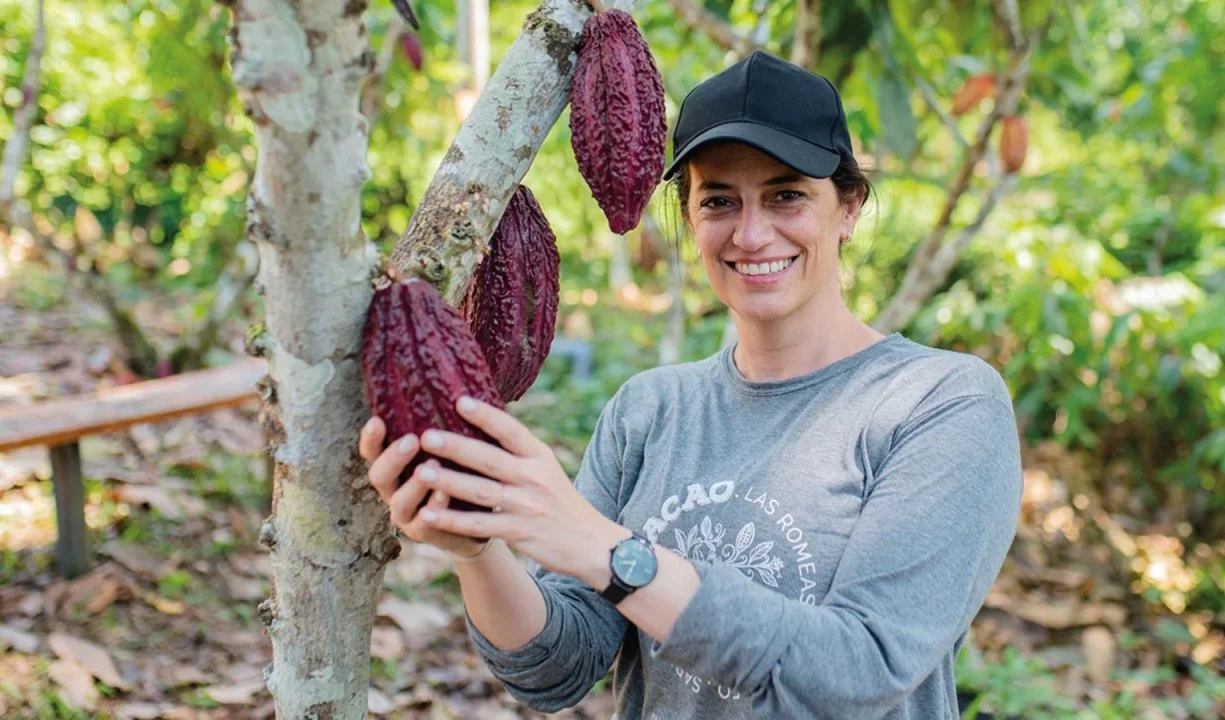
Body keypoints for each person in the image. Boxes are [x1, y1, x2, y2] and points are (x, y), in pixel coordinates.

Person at [359, 51, 1023, 720]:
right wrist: (478, 548)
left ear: (847, 207)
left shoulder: (940, 403)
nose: (752, 232)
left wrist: (605, 550)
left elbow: (859, 672)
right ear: (689, 217)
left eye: (786, 193)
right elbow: (556, 671)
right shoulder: (648, 411)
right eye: (719, 201)